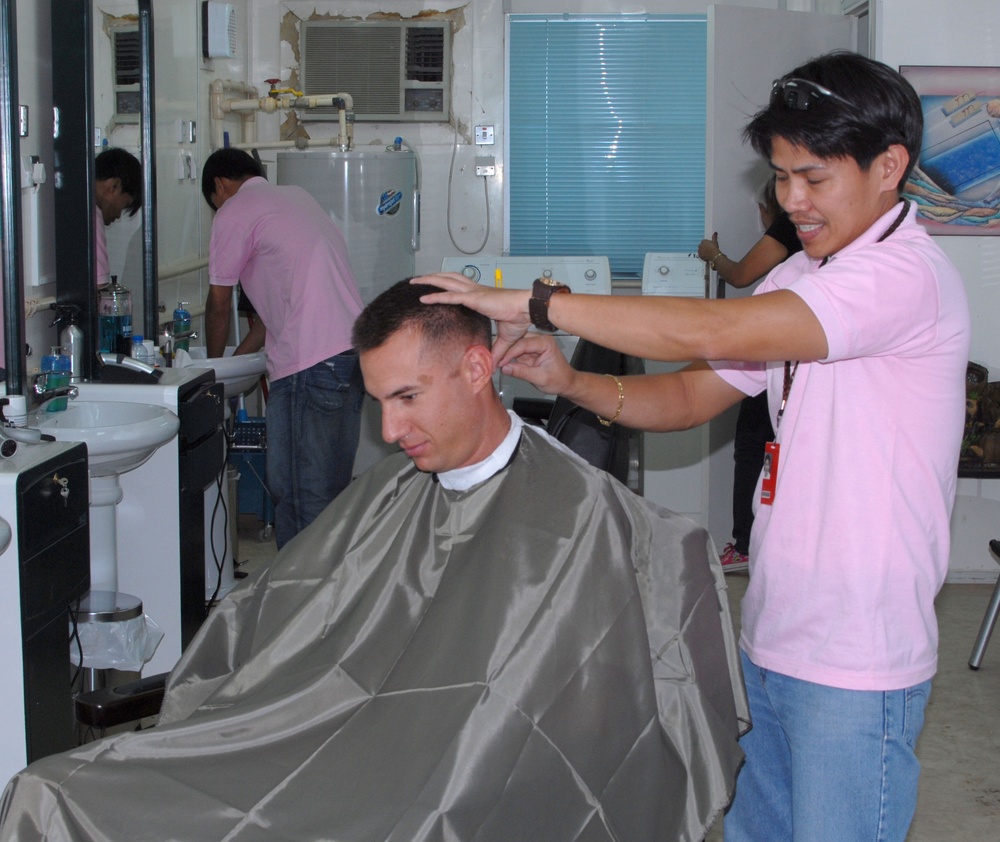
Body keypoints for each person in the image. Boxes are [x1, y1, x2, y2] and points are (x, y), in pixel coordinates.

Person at [415, 51, 971, 841]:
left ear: (890, 167)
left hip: (860, 656)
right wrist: (569, 382)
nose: (792, 201)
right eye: (780, 177)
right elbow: (687, 393)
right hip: (776, 631)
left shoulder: (901, 276)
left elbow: (716, 326)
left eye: (814, 178)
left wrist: (537, 303)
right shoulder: (804, 278)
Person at [0, 281, 747, 841]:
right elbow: (279, 610)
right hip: (306, 736)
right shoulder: (397, 489)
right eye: (378, 403)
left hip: (436, 786)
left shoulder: (575, 514)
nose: (390, 431)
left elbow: (562, 717)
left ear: (479, 368)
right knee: (53, 789)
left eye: (409, 397)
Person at [201, 147, 365, 548]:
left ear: (220, 185)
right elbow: (279, 317)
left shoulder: (235, 210)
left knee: (297, 495)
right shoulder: (297, 198)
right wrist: (237, 361)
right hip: (353, 356)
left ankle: (302, 603)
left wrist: (210, 368)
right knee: (329, 495)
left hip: (310, 366)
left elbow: (219, 302)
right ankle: (331, 597)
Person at [696, 177, 802, 572]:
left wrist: (712, 254)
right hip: (792, 351)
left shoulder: (788, 225)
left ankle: (743, 543)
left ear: (765, 210)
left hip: (777, 349)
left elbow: (740, 274)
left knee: (753, 443)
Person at [94, 147, 142, 286]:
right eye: (125, 204)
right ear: (114, 186)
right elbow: (99, 292)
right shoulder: (93, 219)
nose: (118, 215)